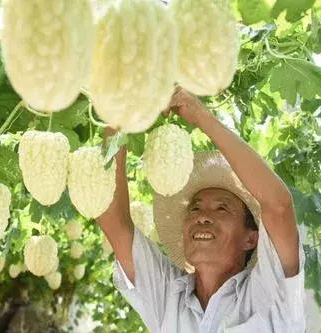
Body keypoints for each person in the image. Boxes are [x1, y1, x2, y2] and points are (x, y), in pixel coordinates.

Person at [97, 87, 305, 332]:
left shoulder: (271, 293)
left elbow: (278, 206)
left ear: (251, 239)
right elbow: (114, 220)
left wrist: (200, 116)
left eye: (221, 209)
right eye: (194, 209)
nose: (202, 217)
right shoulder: (169, 295)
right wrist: (118, 114)